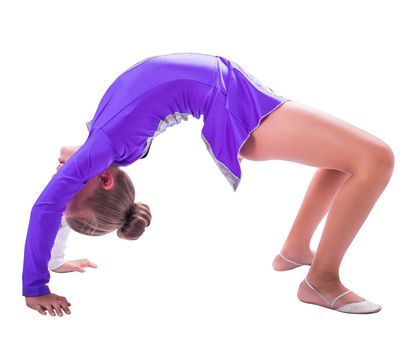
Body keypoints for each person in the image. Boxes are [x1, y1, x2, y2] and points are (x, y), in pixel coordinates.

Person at [23, 52, 394, 317]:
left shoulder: (104, 148)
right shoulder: (103, 149)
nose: (58, 177)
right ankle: (321, 280)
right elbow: (48, 209)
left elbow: (59, 206)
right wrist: (36, 288)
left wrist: (55, 260)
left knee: (342, 161)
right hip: (239, 112)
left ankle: (296, 250)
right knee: (376, 159)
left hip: (236, 95)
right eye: (68, 184)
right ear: (103, 179)